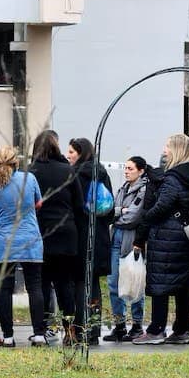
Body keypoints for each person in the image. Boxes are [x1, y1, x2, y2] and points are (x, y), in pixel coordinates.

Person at [132, 134, 189, 345]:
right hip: (187, 239)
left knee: (160, 285)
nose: (164, 150)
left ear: (176, 151)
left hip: (166, 240)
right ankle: (182, 330)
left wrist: (145, 217)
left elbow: (163, 205)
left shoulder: (172, 178)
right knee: (184, 287)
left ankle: (156, 330)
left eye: (167, 147)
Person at [0, 145, 47, 347]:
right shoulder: (29, 179)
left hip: (3, 239)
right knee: (35, 285)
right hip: (29, 236)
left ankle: (8, 336)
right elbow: (39, 203)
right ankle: (39, 333)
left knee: (4, 289)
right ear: (16, 161)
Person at [29, 131, 81, 344]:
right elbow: (79, 204)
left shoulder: (31, 172)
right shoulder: (67, 170)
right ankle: (70, 331)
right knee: (64, 284)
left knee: (41, 284)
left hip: (40, 232)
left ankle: (42, 330)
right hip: (66, 232)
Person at [68, 137, 113, 344]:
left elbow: (73, 206)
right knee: (93, 283)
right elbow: (110, 208)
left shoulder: (74, 174)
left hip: (80, 234)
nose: (69, 156)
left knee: (79, 282)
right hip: (99, 235)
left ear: (81, 153)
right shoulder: (101, 172)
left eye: (72, 152)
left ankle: (80, 328)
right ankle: (94, 329)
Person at [106, 155, 149, 341]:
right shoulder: (123, 188)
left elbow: (133, 217)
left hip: (131, 241)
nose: (126, 171)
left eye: (130, 168)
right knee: (113, 283)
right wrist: (119, 212)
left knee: (134, 282)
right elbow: (111, 210)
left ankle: (137, 324)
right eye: (125, 168)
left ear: (141, 171)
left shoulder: (144, 190)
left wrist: (119, 214)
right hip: (115, 238)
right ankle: (119, 324)